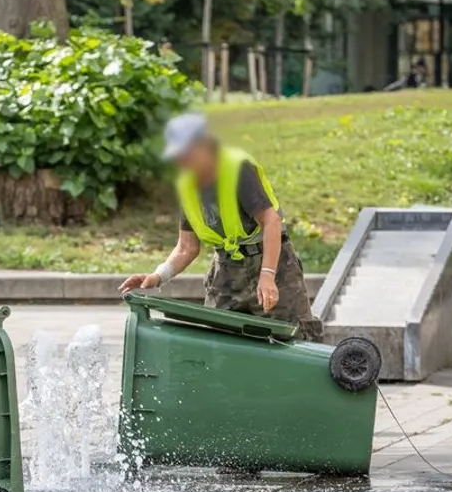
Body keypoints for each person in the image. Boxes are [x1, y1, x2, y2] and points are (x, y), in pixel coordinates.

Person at [118, 113, 324, 341]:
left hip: (271, 263)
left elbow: (271, 221)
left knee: (294, 338)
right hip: (227, 271)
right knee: (217, 342)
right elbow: (187, 247)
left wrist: (268, 276)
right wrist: (158, 276)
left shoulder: (237, 168)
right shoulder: (187, 185)